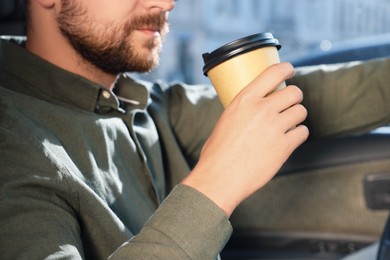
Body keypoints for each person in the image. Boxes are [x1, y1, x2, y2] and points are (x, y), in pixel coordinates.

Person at [0, 0, 388, 259]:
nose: (167, 3)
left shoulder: (147, 103)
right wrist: (217, 182)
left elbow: (327, 96)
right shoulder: (12, 146)